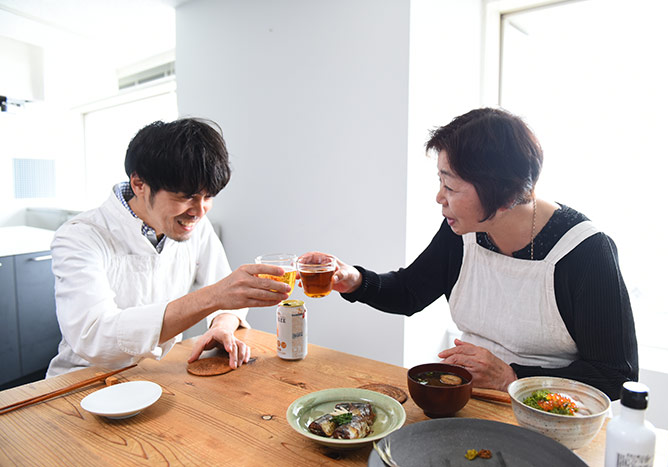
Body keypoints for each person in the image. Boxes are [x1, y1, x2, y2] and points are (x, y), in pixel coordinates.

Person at [323, 107, 638, 400]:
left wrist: (511, 376)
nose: (439, 197)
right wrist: (355, 281)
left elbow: (615, 376)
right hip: (471, 400)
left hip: (553, 415)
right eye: (440, 181)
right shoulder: (463, 230)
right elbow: (409, 292)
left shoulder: (585, 252)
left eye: (450, 187)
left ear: (503, 196)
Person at [47, 118, 291, 377]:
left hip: (156, 375)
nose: (199, 211)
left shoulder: (196, 226)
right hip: (81, 379)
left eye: (208, 197)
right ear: (139, 184)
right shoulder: (80, 236)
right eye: (186, 196)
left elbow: (228, 298)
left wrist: (222, 326)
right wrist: (213, 296)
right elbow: (93, 337)